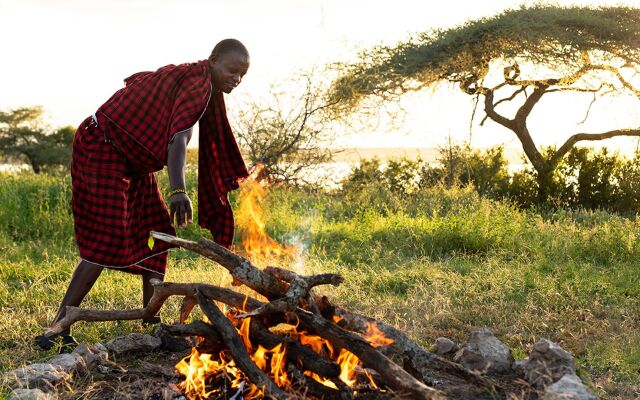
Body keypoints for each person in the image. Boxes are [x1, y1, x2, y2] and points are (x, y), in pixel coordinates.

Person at [36, 39, 250, 350]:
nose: (237, 79)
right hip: (102, 146)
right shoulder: (197, 85)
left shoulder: (200, 82)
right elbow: (178, 138)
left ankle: (153, 326)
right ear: (214, 60)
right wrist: (178, 189)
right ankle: (57, 327)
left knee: (158, 232)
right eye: (233, 70)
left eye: (243, 75)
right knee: (106, 238)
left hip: (128, 158)